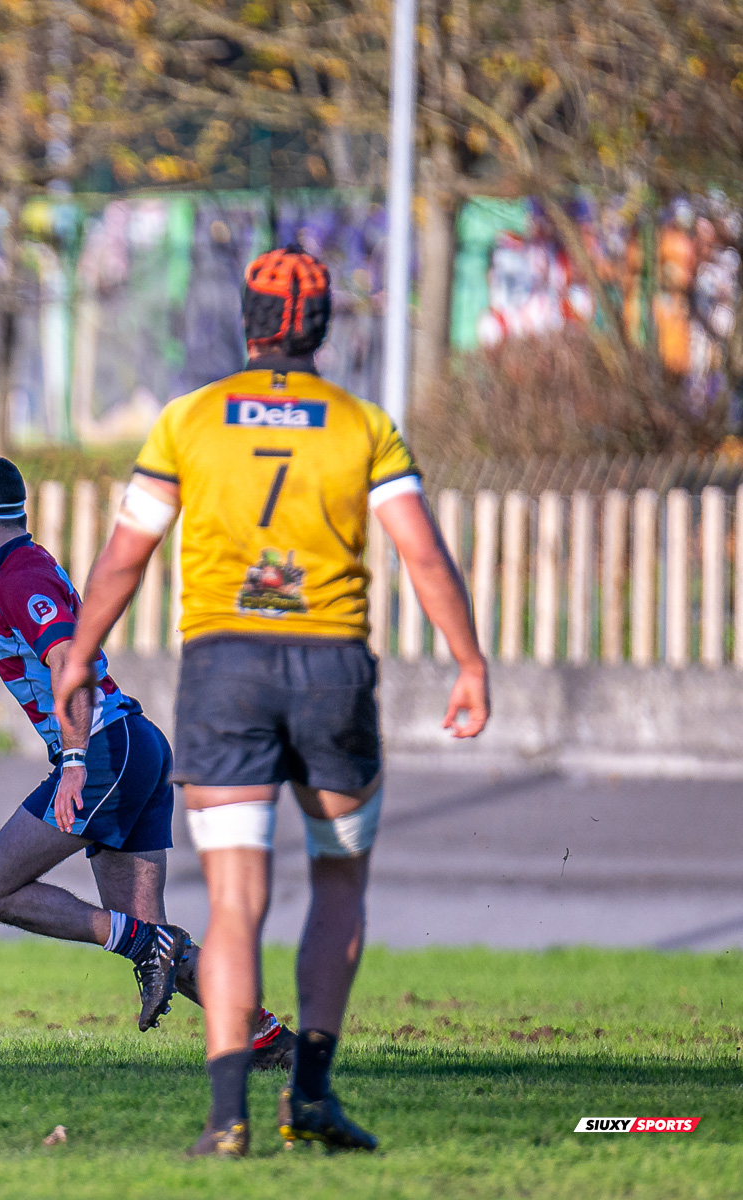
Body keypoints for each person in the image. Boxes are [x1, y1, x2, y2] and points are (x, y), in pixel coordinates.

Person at [55, 244, 491, 1157]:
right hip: (333, 671)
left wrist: (83, 653)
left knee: (233, 900)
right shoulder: (362, 423)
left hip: (226, 674)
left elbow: (128, 553)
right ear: (326, 328)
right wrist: (468, 661)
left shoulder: (189, 421)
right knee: (338, 879)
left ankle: (226, 1119)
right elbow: (419, 550)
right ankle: (315, 1098)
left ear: (246, 324)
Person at [0, 452, 293, 1064]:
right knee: (150, 939)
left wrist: (73, 760)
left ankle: (145, 947)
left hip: (102, 750)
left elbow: (70, 663)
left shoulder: (22, 581)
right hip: (132, 743)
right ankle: (268, 1039)